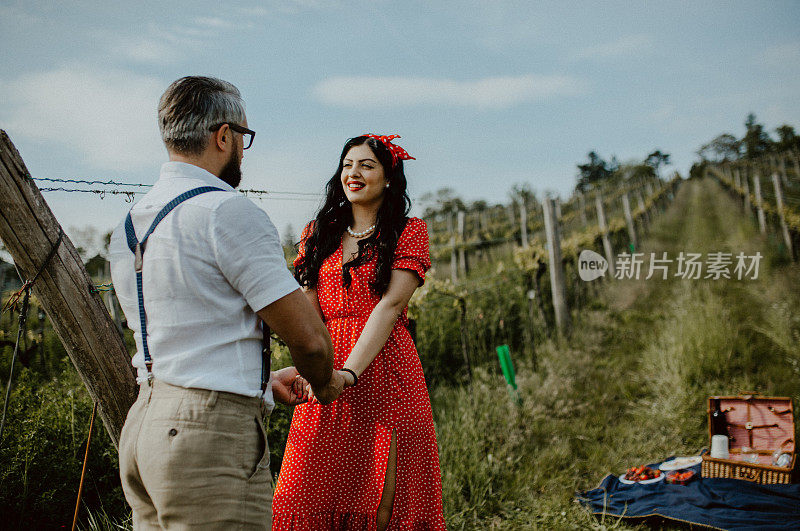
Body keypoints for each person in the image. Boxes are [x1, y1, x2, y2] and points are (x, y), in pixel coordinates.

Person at [109, 76, 345, 529]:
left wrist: (261, 381)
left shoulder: (131, 223)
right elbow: (310, 341)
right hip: (207, 437)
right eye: (243, 137)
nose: (242, 149)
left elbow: (189, 333)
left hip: (144, 426)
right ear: (223, 136)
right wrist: (326, 382)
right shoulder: (226, 211)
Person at [272, 134, 446, 530]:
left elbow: (389, 307)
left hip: (385, 370)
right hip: (324, 367)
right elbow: (308, 307)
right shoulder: (318, 231)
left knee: (382, 495)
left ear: (388, 178)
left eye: (367, 165)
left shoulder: (409, 231)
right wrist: (309, 366)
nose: (354, 172)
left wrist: (347, 374)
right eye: (348, 164)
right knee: (304, 487)